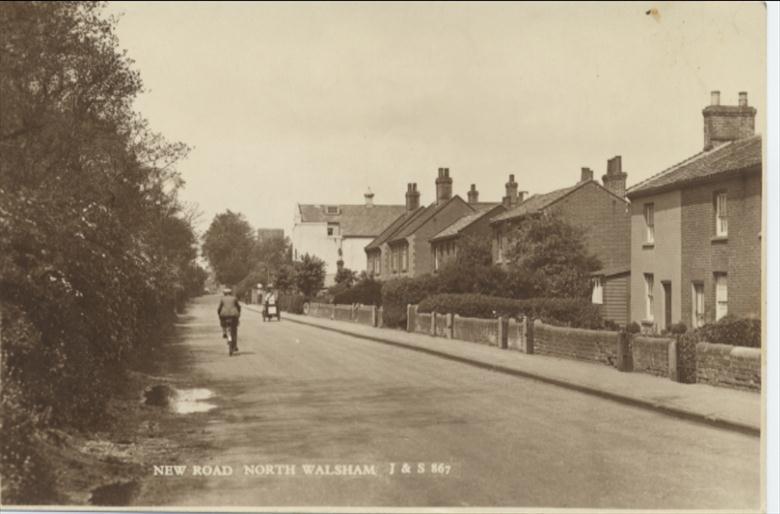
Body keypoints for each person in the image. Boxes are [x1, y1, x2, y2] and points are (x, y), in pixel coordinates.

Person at [217, 287, 241, 352]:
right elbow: (238, 307)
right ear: (231, 293)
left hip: (224, 315)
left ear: (224, 293)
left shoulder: (222, 299)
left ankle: (224, 331)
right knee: (234, 330)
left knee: (222, 321)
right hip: (233, 315)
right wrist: (239, 313)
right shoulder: (234, 298)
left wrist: (219, 313)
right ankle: (235, 346)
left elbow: (219, 308)